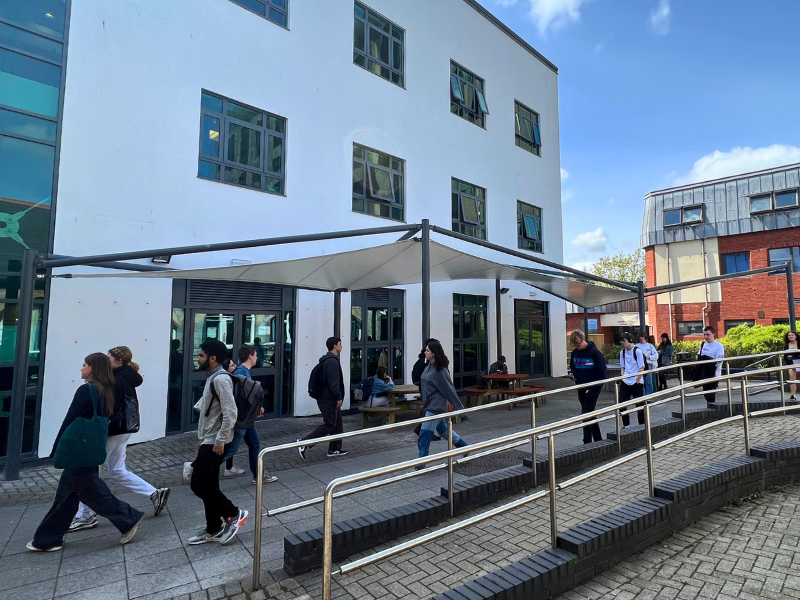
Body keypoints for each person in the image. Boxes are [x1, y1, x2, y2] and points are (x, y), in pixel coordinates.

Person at [28, 353, 144, 552]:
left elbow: (70, 421)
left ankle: (128, 517)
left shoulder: (86, 390)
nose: (81, 369)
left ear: (93, 368)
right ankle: (48, 538)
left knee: (91, 491)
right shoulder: (107, 390)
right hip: (90, 447)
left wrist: (57, 449)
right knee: (67, 494)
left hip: (78, 450)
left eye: (84, 365)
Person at [69, 346, 170, 532]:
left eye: (108, 359)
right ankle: (154, 493)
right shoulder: (127, 376)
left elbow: (109, 407)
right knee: (116, 470)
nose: (106, 362)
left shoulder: (116, 380)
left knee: (89, 470)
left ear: (118, 361)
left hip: (113, 429)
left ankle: (86, 514)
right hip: (124, 429)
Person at [187, 340, 248, 545]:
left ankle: (233, 513)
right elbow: (209, 411)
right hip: (210, 439)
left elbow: (230, 413)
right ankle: (213, 527)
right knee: (209, 483)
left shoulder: (221, 379)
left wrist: (220, 440)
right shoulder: (212, 377)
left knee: (198, 482)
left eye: (201, 355)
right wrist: (203, 439)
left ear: (213, 358)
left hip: (218, 440)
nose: (198, 358)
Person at [221, 345, 277, 484]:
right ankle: (197, 468)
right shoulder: (241, 372)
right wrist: (257, 407)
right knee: (231, 448)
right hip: (242, 418)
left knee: (254, 444)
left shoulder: (244, 371)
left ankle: (258, 475)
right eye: (256, 355)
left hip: (246, 418)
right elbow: (244, 397)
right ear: (250, 356)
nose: (257, 357)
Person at [416, 340, 468, 469]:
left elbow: (450, 391)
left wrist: (462, 413)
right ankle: (464, 447)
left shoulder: (440, 371)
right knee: (444, 431)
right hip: (430, 405)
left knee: (424, 435)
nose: (425, 352)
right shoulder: (429, 365)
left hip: (436, 407)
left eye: (427, 350)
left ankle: (420, 465)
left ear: (433, 353)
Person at [298, 337, 347, 459]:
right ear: (334, 346)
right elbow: (333, 383)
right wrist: (338, 397)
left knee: (338, 424)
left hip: (327, 398)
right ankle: (304, 442)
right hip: (328, 399)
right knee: (330, 424)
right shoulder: (332, 362)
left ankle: (334, 449)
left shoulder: (328, 360)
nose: (342, 346)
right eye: (340, 344)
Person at [568, 330, 608, 444]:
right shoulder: (575, 353)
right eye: (575, 345)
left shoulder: (595, 353)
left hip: (592, 387)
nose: (577, 347)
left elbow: (603, 374)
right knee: (590, 413)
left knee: (586, 413)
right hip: (581, 386)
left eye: (578, 344)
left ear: (583, 340)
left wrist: (594, 387)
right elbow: (574, 367)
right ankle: (598, 439)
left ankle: (587, 441)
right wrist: (573, 375)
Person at [618, 332, 646, 428]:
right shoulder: (622, 353)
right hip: (626, 381)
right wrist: (623, 378)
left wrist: (637, 381)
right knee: (621, 404)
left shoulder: (637, 351)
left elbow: (641, 367)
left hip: (636, 381)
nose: (623, 343)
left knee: (639, 405)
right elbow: (623, 367)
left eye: (624, 341)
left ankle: (642, 425)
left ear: (629, 340)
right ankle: (626, 425)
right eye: (622, 341)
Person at [698, 326, 724, 405]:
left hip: (713, 373)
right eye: (704, 335)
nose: (706, 337)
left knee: (711, 393)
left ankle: (712, 408)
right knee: (706, 392)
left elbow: (719, 361)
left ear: (713, 334)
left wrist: (716, 375)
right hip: (704, 373)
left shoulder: (719, 346)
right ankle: (710, 407)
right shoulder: (703, 344)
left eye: (708, 335)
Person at [785, 330, 800, 400]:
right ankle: (793, 395)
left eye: (792, 335)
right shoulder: (786, 345)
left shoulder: (799, 343)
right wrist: (791, 365)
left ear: (795, 336)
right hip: (791, 363)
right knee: (792, 379)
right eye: (789, 335)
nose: (790, 336)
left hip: (799, 361)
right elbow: (785, 357)